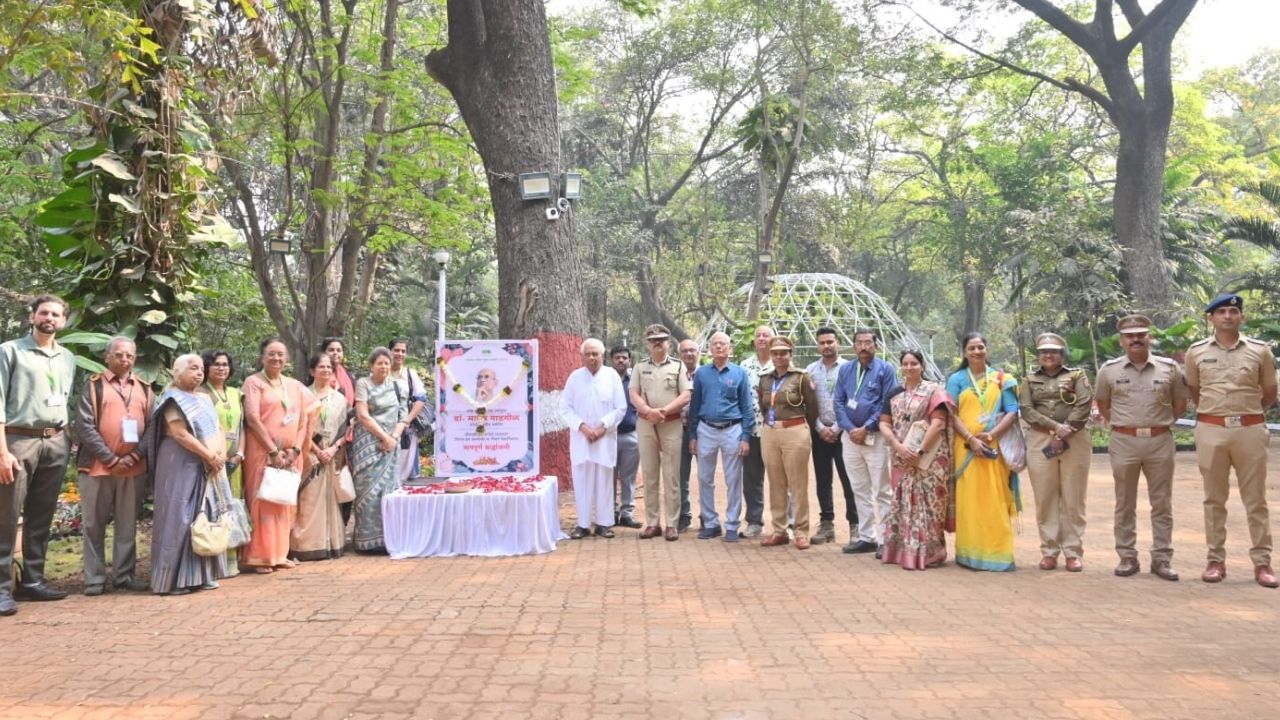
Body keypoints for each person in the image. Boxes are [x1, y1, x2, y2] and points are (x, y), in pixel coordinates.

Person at [1185, 293, 1278, 588]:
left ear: (1242, 317)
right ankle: (1215, 561)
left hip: (1249, 429)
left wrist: (1245, 414)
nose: (1227, 316)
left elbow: (1269, 392)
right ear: (1211, 318)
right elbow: (1195, 391)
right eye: (1221, 312)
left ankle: (1262, 563)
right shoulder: (1196, 352)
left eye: (1233, 311)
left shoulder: (1260, 351)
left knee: (1256, 500)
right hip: (1211, 429)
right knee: (1214, 499)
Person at [0, 294, 77, 615]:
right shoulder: (10, 351)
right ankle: (3, 589)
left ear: (62, 321)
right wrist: (2, 451)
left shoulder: (66, 357)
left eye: (56, 315)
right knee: (6, 516)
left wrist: (67, 439)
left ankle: (33, 581)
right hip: (19, 440)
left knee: (41, 515)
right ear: (32, 316)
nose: (50, 318)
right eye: (43, 312)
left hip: (55, 441)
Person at [1094, 314, 1186, 581]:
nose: (1135, 339)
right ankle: (1127, 556)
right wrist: (1126, 425)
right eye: (1129, 336)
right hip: (1124, 441)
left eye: (1140, 334)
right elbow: (1103, 405)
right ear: (1121, 341)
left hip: (1160, 440)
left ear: (1149, 337)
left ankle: (1162, 558)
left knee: (1162, 502)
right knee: (1124, 501)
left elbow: (1180, 404)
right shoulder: (1109, 370)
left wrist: (1159, 423)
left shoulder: (1169, 368)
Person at [147, 354, 233, 595]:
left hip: (208, 463)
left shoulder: (205, 398)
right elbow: (179, 433)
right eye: (192, 368)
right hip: (180, 461)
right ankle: (175, 579)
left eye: (200, 369)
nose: (199, 373)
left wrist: (220, 456)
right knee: (180, 515)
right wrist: (209, 455)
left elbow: (218, 428)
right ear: (177, 372)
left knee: (205, 512)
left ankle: (203, 574)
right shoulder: (172, 398)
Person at [76, 336, 153, 596]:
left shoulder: (145, 387)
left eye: (129, 355)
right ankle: (95, 579)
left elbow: (153, 427)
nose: (124, 359)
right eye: (119, 354)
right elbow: (84, 427)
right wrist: (110, 458)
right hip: (98, 468)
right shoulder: (94, 386)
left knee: (127, 524)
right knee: (93, 525)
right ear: (106, 357)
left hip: (133, 468)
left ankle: (124, 575)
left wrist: (134, 456)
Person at [1019, 332, 1094, 572]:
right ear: (1039, 356)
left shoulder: (1077, 375)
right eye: (1043, 352)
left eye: (1053, 351)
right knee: (1045, 497)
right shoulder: (1029, 380)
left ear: (1062, 354)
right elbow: (1026, 409)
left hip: (1075, 438)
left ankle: (1073, 551)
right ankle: (1049, 551)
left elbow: (1084, 403)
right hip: (1040, 439)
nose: (1048, 355)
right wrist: (1055, 429)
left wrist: (1065, 431)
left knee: (1074, 496)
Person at [946, 332, 1020, 572]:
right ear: (964, 353)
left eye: (980, 347)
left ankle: (998, 554)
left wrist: (991, 435)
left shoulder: (1001, 379)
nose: (976, 352)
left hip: (993, 450)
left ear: (986, 350)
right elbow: (952, 414)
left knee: (995, 501)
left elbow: (1011, 411)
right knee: (969, 503)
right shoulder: (956, 379)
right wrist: (971, 439)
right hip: (966, 448)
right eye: (971, 348)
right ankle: (969, 554)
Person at [242, 337, 316, 573]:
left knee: (283, 501)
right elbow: (252, 418)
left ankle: (279, 553)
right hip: (263, 452)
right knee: (263, 500)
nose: (276, 358)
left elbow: (306, 418)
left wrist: (295, 449)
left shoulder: (294, 386)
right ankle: (260, 556)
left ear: (287, 358)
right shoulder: (254, 383)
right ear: (262, 356)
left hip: (290, 454)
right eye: (271, 354)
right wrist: (272, 451)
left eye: (280, 354)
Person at [878, 350, 954, 570]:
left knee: (931, 506)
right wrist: (898, 446)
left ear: (922, 366)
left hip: (929, 460)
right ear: (901, 367)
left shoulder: (934, 391)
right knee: (902, 504)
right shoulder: (893, 393)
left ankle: (931, 554)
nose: (909, 367)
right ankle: (906, 552)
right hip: (901, 457)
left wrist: (919, 452)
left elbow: (938, 424)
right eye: (905, 364)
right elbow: (884, 423)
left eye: (914, 363)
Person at [834, 328, 898, 556]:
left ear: (876, 346)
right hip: (850, 438)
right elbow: (839, 402)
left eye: (868, 342)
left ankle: (886, 539)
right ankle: (867, 536)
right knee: (859, 488)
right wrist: (851, 429)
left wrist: (867, 427)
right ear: (853, 347)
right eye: (859, 343)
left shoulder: (885, 369)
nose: (864, 347)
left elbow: (886, 402)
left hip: (876, 437)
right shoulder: (846, 369)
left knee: (882, 489)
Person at [687, 332, 753, 542]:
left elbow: (747, 407)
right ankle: (711, 522)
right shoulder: (702, 374)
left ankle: (732, 524)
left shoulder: (740, 373)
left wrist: (745, 437)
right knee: (704, 478)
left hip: (732, 429)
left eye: (723, 344)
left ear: (729, 349)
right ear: (709, 349)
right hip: (706, 429)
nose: (718, 347)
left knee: (733, 478)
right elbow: (695, 405)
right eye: (715, 344)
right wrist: (692, 435)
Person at [631, 323, 691, 541]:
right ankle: (653, 522)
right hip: (646, 424)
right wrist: (648, 411)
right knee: (649, 474)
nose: (658, 343)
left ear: (668, 343)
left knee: (672, 475)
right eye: (653, 340)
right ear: (648, 344)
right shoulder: (639, 367)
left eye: (662, 340)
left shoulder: (678, 366)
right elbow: (634, 393)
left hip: (671, 423)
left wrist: (664, 410)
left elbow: (686, 395)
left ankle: (672, 524)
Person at [563, 339, 628, 539]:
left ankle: (604, 523)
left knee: (605, 481)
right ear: (582, 356)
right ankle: (582, 524)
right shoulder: (574, 378)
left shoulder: (612, 377)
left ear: (602, 355)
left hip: (604, 438)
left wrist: (602, 428)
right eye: (588, 354)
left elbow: (621, 408)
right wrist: (582, 427)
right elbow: (565, 408)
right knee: (582, 481)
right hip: (582, 439)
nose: (592, 358)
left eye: (595, 354)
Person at [758, 337, 818, 549]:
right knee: (775, 482)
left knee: (798, 483)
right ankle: (779, 530)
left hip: (795, 429)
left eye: (783, 352)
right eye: (775, 353)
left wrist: (803, 428)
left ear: (790, 354)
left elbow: (812, 406)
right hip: (771, 430)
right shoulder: (764, 379)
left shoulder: (801, 377)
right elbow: (763, 405)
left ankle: (801, 531)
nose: (779, 357)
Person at [290, 353, 348, 561]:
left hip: (331, 455)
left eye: (329, 368)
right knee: (307, 500)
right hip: (309, 455)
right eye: (321, 367)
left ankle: (329, 543)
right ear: (312, 371)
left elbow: (345, 429)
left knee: (328, 500)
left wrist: (332, 449)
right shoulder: (302, 396)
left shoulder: (340, 399)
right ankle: (305, 545)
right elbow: (299, 427)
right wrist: (315, 449)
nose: (325, 371)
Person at [351, 347, 408, 553]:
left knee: (388, 491)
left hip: (391, 445)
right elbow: (363, 415)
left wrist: (393, 437)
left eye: (386, 363)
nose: (383, 367)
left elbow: (404, 416)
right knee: (367, 491)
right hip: (368, 445)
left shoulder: (398, 386)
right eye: (379, 363)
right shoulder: (363, 384)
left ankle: (389, 539)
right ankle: (366, 542)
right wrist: (383, 437)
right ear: (371, 366)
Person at [805, 326, 856, 545]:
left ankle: (856, 525)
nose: (826, 346)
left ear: (838, 343)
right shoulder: (810, 370)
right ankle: (827, 524)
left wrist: (836, 428)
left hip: (843, 432)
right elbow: (807, 403)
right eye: (822, 342)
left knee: (849, 479)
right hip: (819, 432)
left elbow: (853, 400)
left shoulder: (849, 368)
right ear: (817, 345)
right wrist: (819, 428)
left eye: (830, 342)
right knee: (823, 480)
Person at [199, 349, 245, 576]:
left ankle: (231, 560)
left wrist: (240, 454)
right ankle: (213, 562)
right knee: (212, 508)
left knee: (233, 505)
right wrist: (213, 457)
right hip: (212, 460)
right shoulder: (200, 394)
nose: (221, 368)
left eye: (225, 364)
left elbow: (242, 427)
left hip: (235, 460)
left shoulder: (236, 394)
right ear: (207, 367)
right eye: (216, 364)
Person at [739, 325, 775, 538]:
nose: (762, 338)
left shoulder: (780, 363)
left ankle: (786, 523)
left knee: (781, 478)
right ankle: (754, 521)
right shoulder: (745, 366)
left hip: (775, 431)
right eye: (758, 335)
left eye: (766, 335)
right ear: (754, 341)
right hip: (751, 431)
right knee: (752, 479)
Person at [611, 347, 642, 529]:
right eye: (617, 358)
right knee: (609, 477)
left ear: (629, 360)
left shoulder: (635, 382)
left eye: (624, 357)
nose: (621, 361)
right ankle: (610, 513)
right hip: (609, 436)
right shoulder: (606, 380)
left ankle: (627, 513)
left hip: (631, 435)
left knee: (628, 477)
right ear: (612, 360)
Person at [389, 338, 427, 482]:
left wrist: (407, 420)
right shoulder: (381, 371)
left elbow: (421, 399)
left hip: (406, 430)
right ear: (389, 351)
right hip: (383, 429)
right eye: (396, 350)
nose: (400, 354)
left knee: (406, 472)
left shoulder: (410, 374)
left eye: (403, 351)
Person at [676, 338, 700, 532]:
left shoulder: (706, 374)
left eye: (692, 350)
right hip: (678, 431)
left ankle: (708, 516)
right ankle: (684, 516)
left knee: (705, 477)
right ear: (679, 355)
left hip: (702, 432)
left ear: (698, 353)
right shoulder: (675, 374)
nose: (689, 354)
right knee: (680, 476)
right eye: (685, 351)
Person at [320, 337, 356, 407]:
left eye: (339, 350)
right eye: (331, 350)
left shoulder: (349, 377)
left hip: (346, 415)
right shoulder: (316, 374)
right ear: (323, 353)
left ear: (342, 354)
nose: (335, 353)